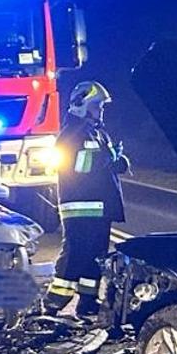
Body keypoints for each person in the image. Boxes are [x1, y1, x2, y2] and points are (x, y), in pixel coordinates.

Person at [43, 81, 129, 317]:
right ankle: (53, 302)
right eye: (96, 106)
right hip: (81, 205)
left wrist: (116, 161)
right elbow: (79, 167)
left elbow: (105, 161)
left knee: (96, 256)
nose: (100, 111)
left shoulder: (96, 132)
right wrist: (107, 160)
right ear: (82, 105)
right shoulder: (72, 133)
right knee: (76, 254)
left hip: (99, 206)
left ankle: (88, 301)